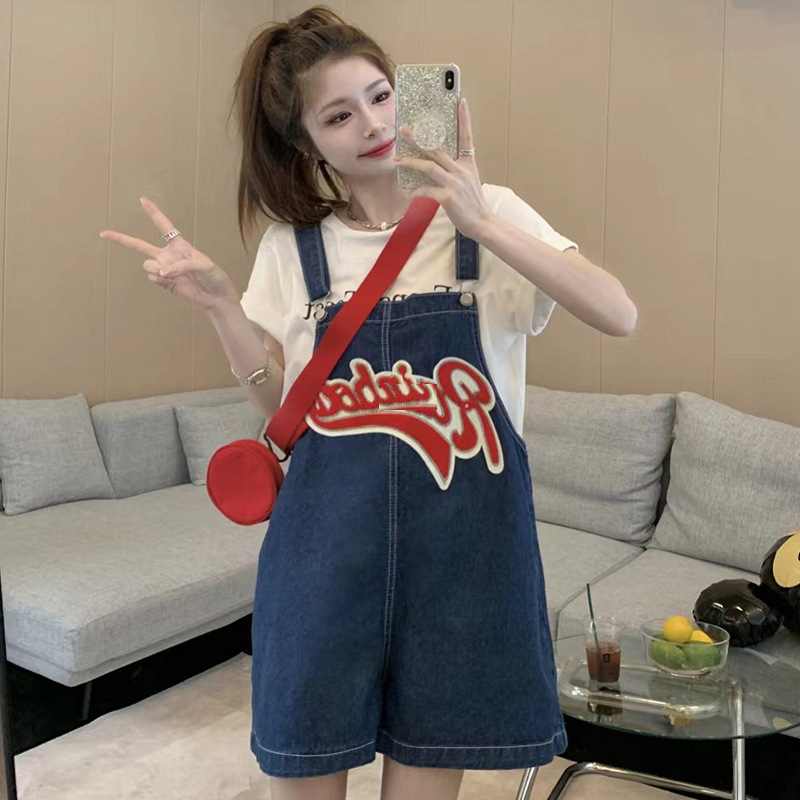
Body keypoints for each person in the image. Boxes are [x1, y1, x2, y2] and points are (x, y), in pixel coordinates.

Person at [99, 7, 637, 800]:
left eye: (382, 96)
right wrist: (219, 305)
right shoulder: (293, 248)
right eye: (339, 115)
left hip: (462, 568)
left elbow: (618, 313)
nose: (375, 125)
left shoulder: (490, 215)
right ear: (306, 144)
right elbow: (285, 409)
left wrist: (481, 222)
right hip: (322, 560)